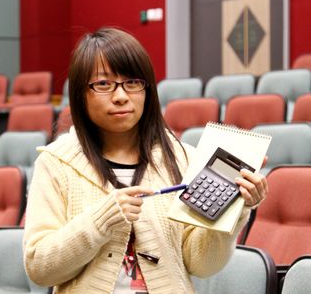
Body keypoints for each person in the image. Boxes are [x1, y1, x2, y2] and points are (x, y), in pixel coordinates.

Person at [23, 27, 268, 293]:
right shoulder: (57, 162)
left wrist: (235, 209)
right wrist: (102, 220)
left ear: (147, 89)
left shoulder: (184, 158)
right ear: (81, 95)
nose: (120, 96)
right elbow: (40, 267)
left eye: (132, 82)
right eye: (103, 84)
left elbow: (201, 265)